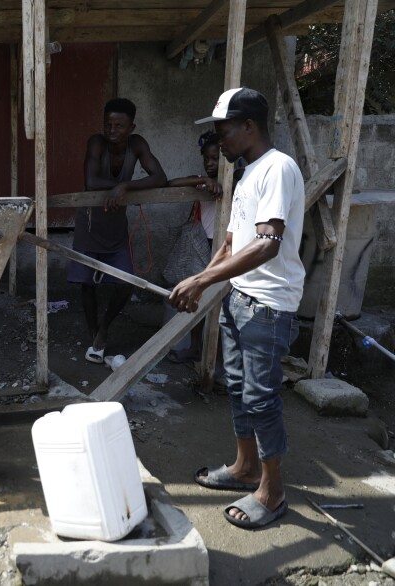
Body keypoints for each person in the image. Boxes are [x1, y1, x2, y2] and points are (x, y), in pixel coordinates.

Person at [169, 88, 305, 529]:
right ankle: (245, 468)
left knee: (262, 398)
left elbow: (267, 244)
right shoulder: (246, 174)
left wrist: (203, 280)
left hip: (267, 303)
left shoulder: (278, 169)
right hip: (239, 297)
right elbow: (231, 242)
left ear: (249, 126)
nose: (218, 141)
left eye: (223, 131)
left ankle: (272, 490)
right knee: (241, 391)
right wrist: (204, 283)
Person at [69, 98, 167, 364]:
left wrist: (124, 187)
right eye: (108, 124)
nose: (112, 130)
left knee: (125, 284)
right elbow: (91, 182)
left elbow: (160, 177)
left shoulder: (137, 145)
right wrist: (125, 185)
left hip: (116, 226)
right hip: (90, 223)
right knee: (86, 284)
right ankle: (95, 336)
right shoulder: (96, 143)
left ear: (131, 127)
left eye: (119, 126)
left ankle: (104, 327)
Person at [165, 131, 224, 364]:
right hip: (202, 244)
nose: (210, 164)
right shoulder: (201, 182)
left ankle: (215, 355)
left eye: (215, 159)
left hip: (224, 245)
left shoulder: (238, 179)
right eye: (207, 159)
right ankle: (196, 347)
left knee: (219, 301)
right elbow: (171, 184)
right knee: (198, 298)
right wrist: (203, 181)